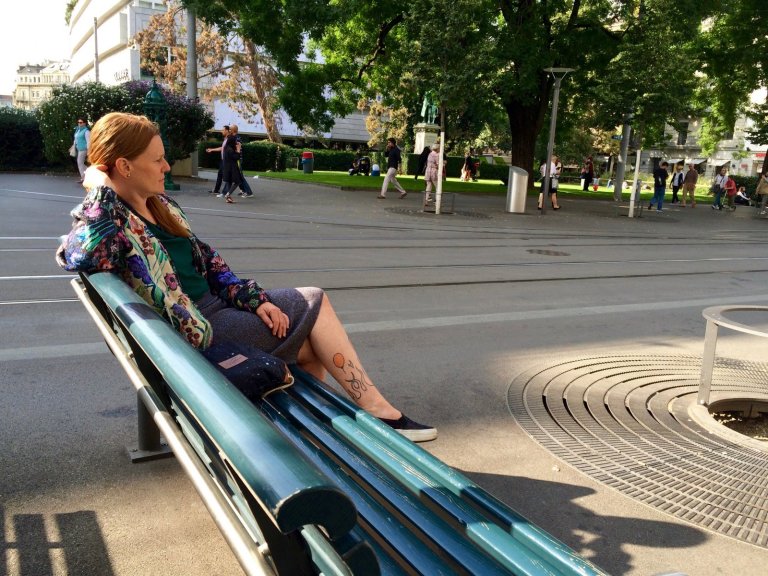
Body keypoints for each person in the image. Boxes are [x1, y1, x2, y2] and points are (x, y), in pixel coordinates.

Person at [55, 112, 436, 442]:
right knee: (314, 303)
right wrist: (99, 189)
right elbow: (79, 253)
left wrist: (258, 301)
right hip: (202, 330)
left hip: (220, 311)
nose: (167, 167)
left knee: (306, 334)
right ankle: (374, 410)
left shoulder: (162, 206)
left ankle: (312, 432)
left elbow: (213, 266)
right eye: (157, 160)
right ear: (123, 167)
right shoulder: (113, 222)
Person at [205, 125, 231, 195]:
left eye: (223, 130)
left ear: (227, 131)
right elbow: (222, 148)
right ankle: (216, 190)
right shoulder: (226, 139)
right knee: (220, 175)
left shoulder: (229, 139)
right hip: (223, 160)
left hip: (226, 160)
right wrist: (212, 150)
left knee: (227, 176)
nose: (221, 131)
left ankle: (226, 192)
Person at [229, 125, 253, 198]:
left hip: (238, 160)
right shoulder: (234, 138)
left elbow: (237, 146)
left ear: (233, 130)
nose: (229, 130)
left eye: (230, 129)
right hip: (236, 159)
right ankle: (243, 190)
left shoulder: (237, 138)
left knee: (240, 176)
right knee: (238, 176)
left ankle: (249, 192)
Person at [73, 117, 91, 183]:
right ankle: (88, 174)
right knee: (80, 163)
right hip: (79, 149)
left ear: (84, 123)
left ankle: (84, 178)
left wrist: (89, 151)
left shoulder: (86, 131)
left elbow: (89, 142)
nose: (79, 124)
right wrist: (73, 146)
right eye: (78, 122)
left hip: (84, 149)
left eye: (80, 122)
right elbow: (76, 139)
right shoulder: (78, 130)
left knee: (80, 163)